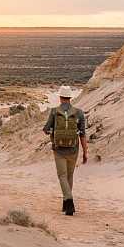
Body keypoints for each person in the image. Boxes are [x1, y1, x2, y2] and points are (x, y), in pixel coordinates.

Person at [43, 85, 88, 216]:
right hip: (74, 150)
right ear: (70, 97)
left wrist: (52, 132)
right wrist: (85, 152)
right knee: (69, 176)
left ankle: (69, 202)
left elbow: (46, 129)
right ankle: (65, 203)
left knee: (62, 176)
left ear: (60, 97)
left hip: (58, 150)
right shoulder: (78, 112)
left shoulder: (54, 111)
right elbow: (82, 134)